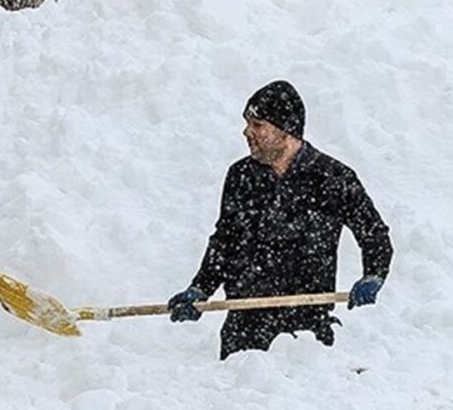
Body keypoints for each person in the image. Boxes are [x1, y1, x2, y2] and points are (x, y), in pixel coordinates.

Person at [168, 80, 393, 359]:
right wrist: (200, 288)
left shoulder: (333, 178)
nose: (247, 132)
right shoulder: (241, 178)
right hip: (244, 328)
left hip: (306, 333)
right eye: (248, 124)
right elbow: (224, 241)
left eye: (258, 125)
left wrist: (373, 274)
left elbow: (373, 233)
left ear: (286, 130)